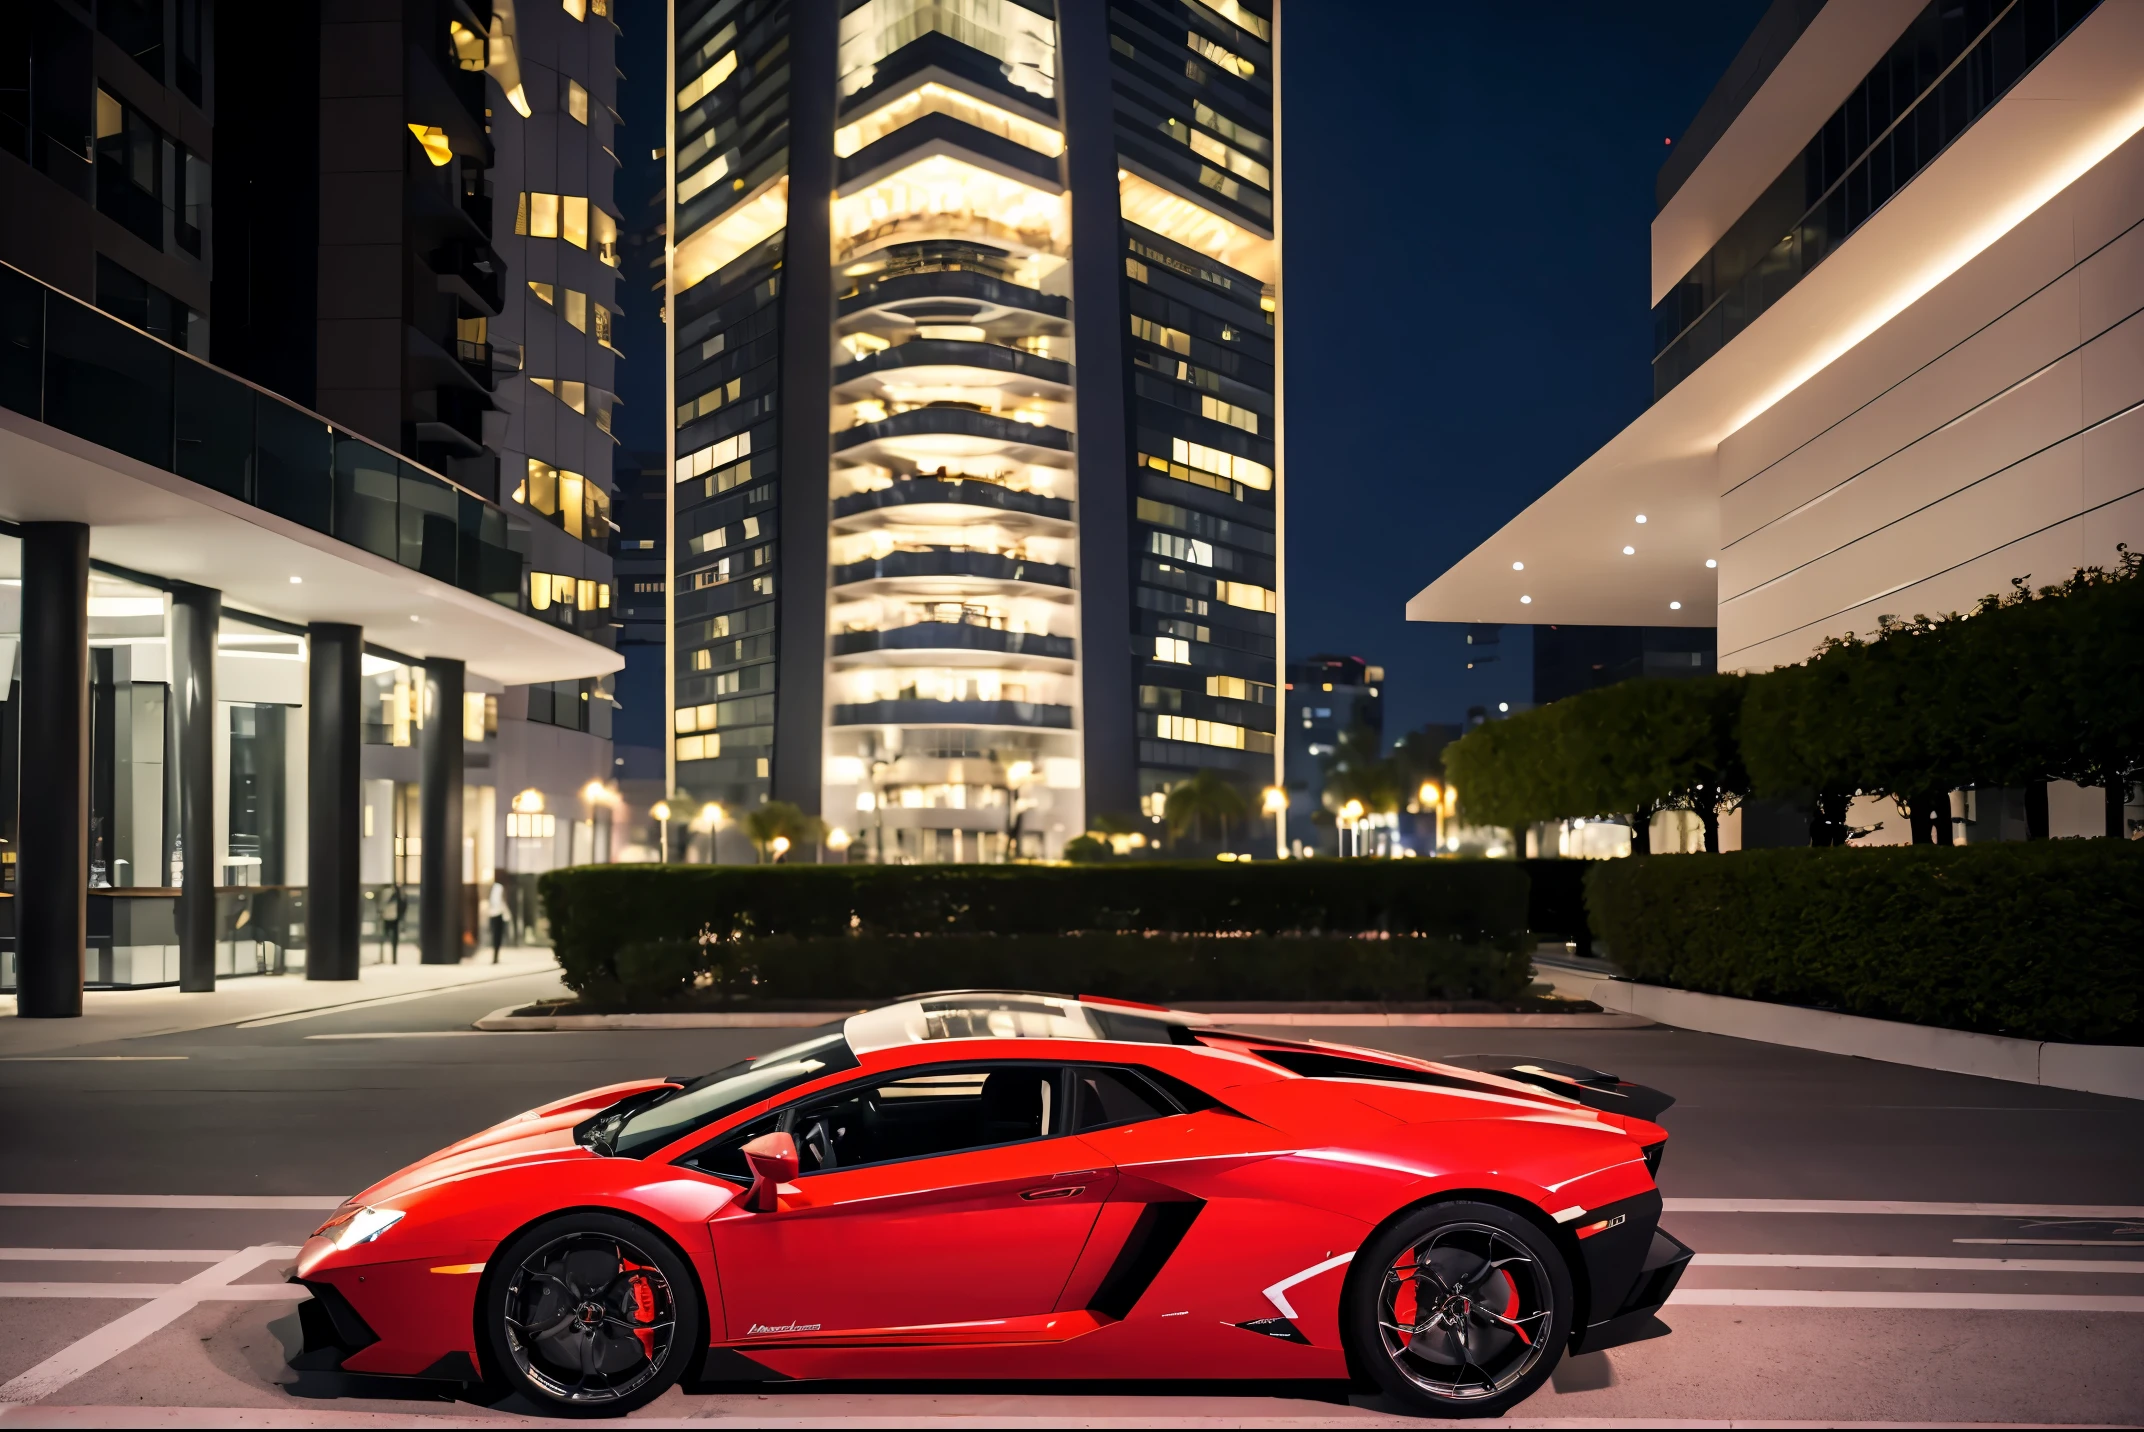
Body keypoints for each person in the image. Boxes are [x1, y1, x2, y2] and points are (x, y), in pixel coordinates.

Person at [381, 882, 404, 964]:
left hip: (394, 919)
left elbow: (402, 907)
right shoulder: (389, 893)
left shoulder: (400, 895)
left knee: (393, 939)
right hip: (389, 918)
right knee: (385, 937)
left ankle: (394, 959)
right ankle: (385, 957)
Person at [486, 880, 509, 963]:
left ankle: (495, 956)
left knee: (496, 937)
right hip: (496, 914)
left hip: (496, 914)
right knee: (496, 937)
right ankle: (495, 956)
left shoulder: (496, 888)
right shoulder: (497, 888)